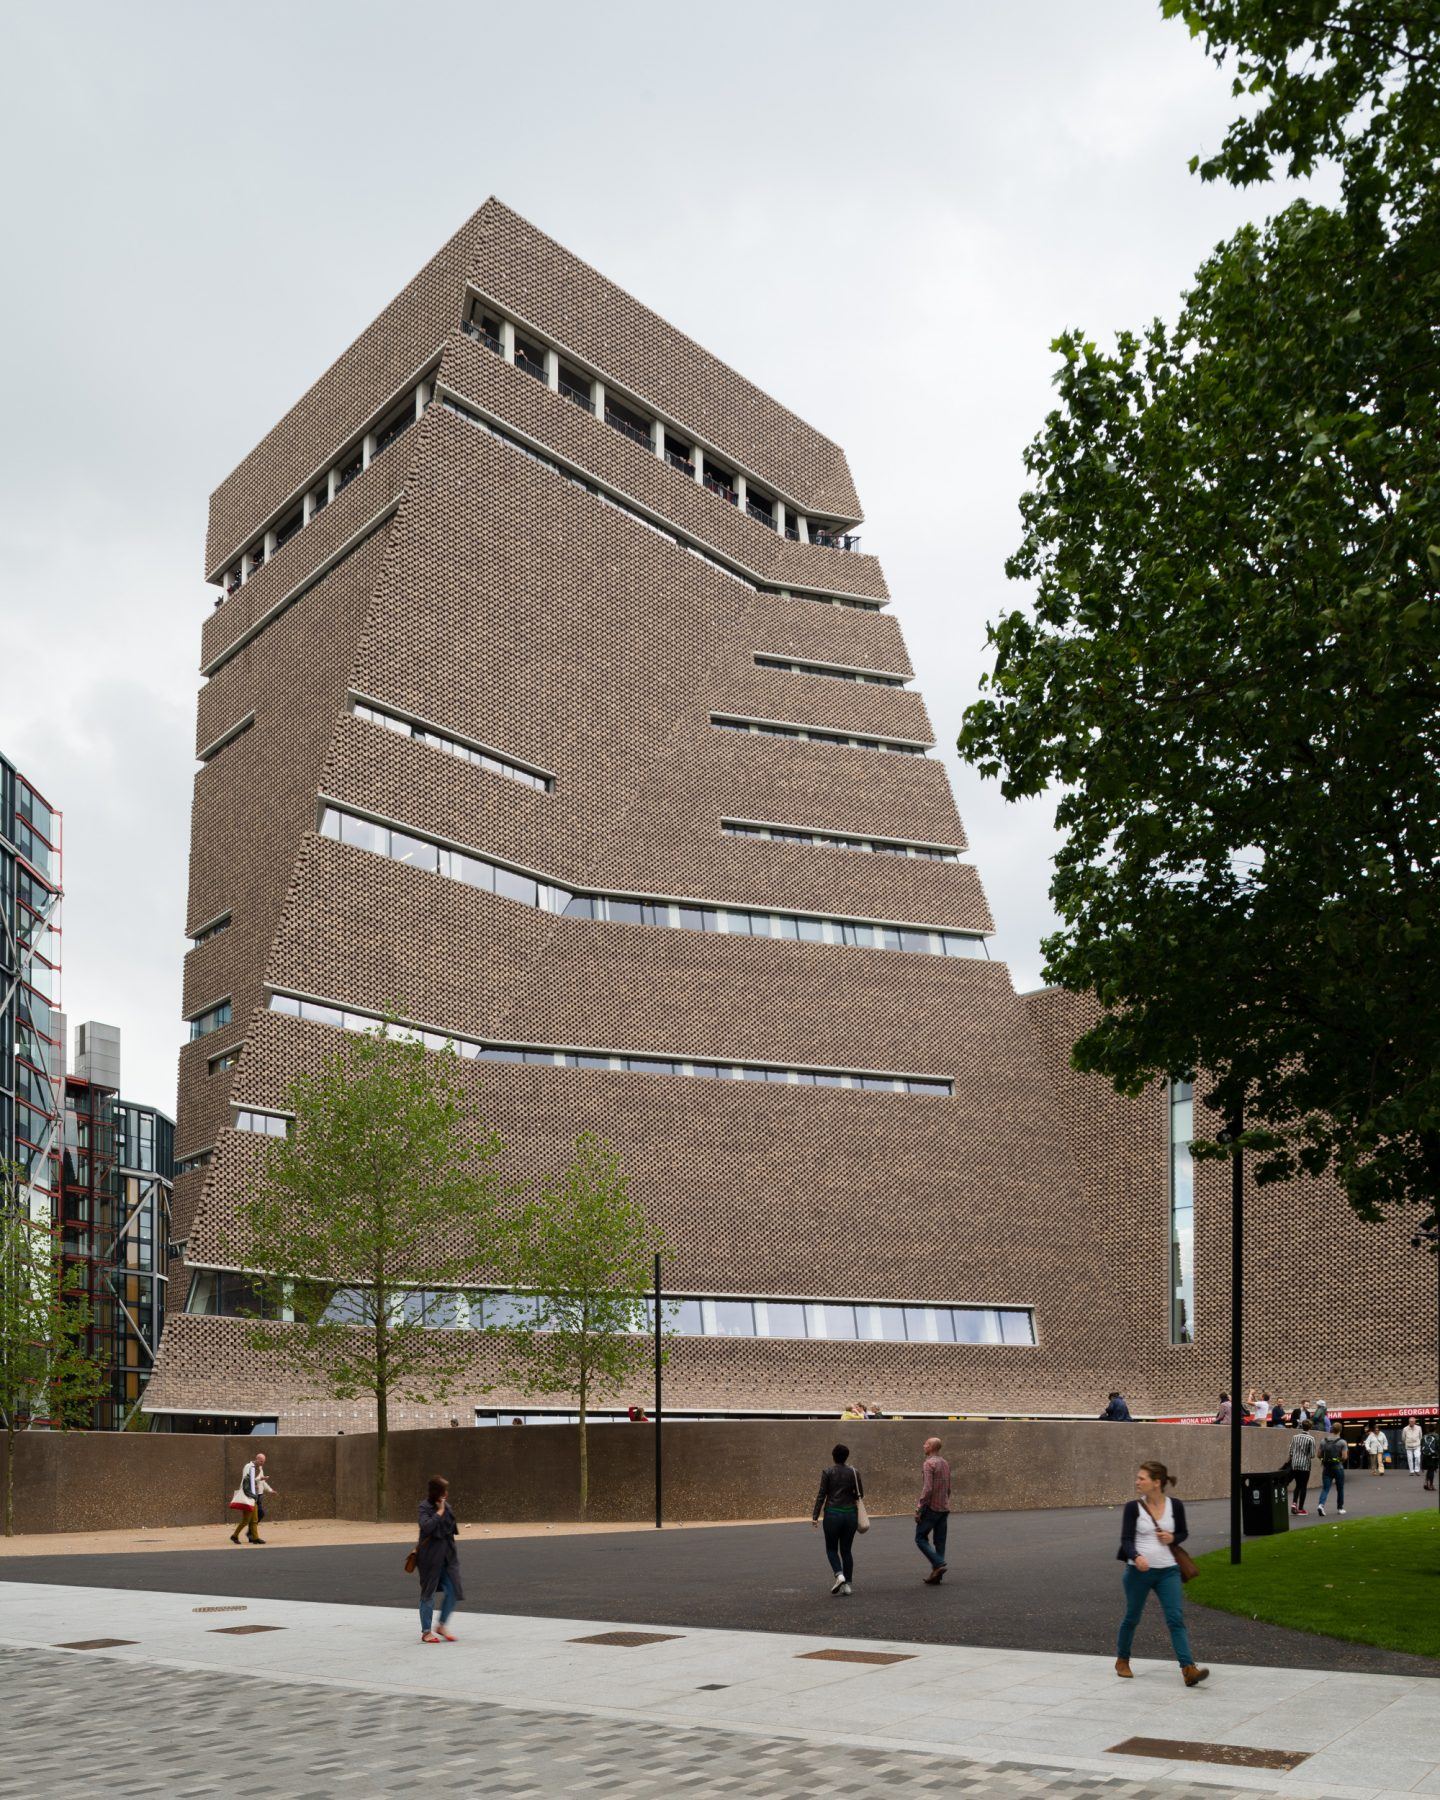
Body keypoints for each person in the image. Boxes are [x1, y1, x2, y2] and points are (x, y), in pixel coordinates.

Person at [1115, 1461, 1208, 1688]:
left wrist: (1172, 1538)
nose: (1137, 1482)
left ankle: (1188, 1669)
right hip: (1139, 1572)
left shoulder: (1175, 1505)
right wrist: (1136, 1556)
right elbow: (1126, 1539)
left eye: (1142, 1478)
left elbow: (1183, 1532)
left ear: (1156, 1483)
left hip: (1169, 1571)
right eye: (1137, 1478)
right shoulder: (1133, 1507)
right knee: (1133, 1616)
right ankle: (1122, 1660)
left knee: (1175, 1618)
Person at [811, 1443, 864, 1595]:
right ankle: (847, 1585)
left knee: (831, 1548)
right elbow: (860, 1494)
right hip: (850, 1515)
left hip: (832, 1514)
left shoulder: (828, 1472)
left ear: (833, 1456)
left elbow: (822, 1494)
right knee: (846, 1550)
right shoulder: (854, 1472)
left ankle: (839, 1574)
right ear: (847, 1456)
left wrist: (815, 1516)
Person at [416, 1475, 463, 1643]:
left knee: (453, 1592)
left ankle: (441, 1625)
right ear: (437, 1492)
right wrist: (440, 1512)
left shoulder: (447, 1507)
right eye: (444, 1491)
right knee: (428, 1594)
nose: (447, 1494)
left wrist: (445, 1511)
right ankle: (426, 1631)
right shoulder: (424, 1507)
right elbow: (427, 1527)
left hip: (447, 1558)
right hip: (429, 1558)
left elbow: (452, 1530)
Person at [914, 1436, 951, 1584]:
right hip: (944, 1508)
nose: (924, 1446)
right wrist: (945, 1501)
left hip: (931, 1508)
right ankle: (937, 1575)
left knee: (920, 1538)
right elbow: (949, 1488)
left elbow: (928, 1488)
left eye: (926, 1444)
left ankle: (938, 1563)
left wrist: (919, 1508)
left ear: (931, 1447)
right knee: (940, 1541)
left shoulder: (929, 1464)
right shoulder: (945, 1463)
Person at [228, 1451, 275, 1545]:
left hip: (254, 1497)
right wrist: (257, 1482)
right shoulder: (249, 1467)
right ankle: (234, 1535)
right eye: (261, 1461)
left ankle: (255, 1538)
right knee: (246, 1520)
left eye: (263, 1461)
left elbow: (253, 1481)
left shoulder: (258, 1468)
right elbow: (246, 1481)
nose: (262, 1463)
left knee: (254, 1519)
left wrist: (264, 1485)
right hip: (248, 1496)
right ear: (257, 1459)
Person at [1282, 1420, 1316, 1514]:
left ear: (1302, 1426)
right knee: (1303, 1486)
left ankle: (1294, 1503)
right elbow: (1312, 1454)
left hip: (1294, 1464)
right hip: (1305, 1466)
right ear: (1310, 1427)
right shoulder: (1311, 1439)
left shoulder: (1295, 1437)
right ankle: (1301, 1508)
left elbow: (1291, 1451)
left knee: (1297, 1486)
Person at [1316, 1424, 1348, 1516]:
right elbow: (1344, 1457)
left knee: (1325, 1488)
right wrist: (1339, 1460)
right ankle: (1340, 1508)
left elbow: (1318, 1455)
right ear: (1340, 1430)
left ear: (1332, 1430)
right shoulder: (1342, 1442)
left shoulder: (1323, 1441)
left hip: (1326, 1467)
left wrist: (1325, 1460)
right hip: (1338, 1467)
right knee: (1340, 1488)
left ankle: (1321, 1505)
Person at [1421, 1426, 1438, 1492]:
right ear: (1435, 1429)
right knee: (1432, 1469)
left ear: (1428, 1430)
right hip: (1433, 1455)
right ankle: (1431, 1485)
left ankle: (1426, 1482)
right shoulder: (1436, 1436)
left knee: (1429, 1469)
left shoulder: (1424, 1436)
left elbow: (1421, 1445)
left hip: (1425, 1455)